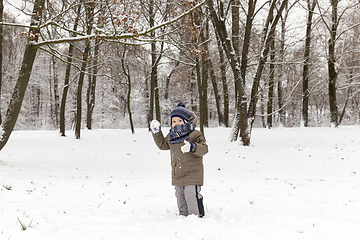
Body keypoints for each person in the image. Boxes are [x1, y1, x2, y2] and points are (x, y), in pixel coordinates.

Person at [150, 102, 208, 217]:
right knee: (180, 195)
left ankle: (196, 216)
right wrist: (156, 132)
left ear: (186, 121)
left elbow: (204, 149)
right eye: (173, 121)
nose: (176, 124)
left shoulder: (195, 134)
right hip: (178, 173)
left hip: (193, 173)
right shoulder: (171, 136)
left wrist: (192, 147)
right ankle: (183, 215)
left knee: (191, 194)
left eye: (179, 121)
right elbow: (163, 145)